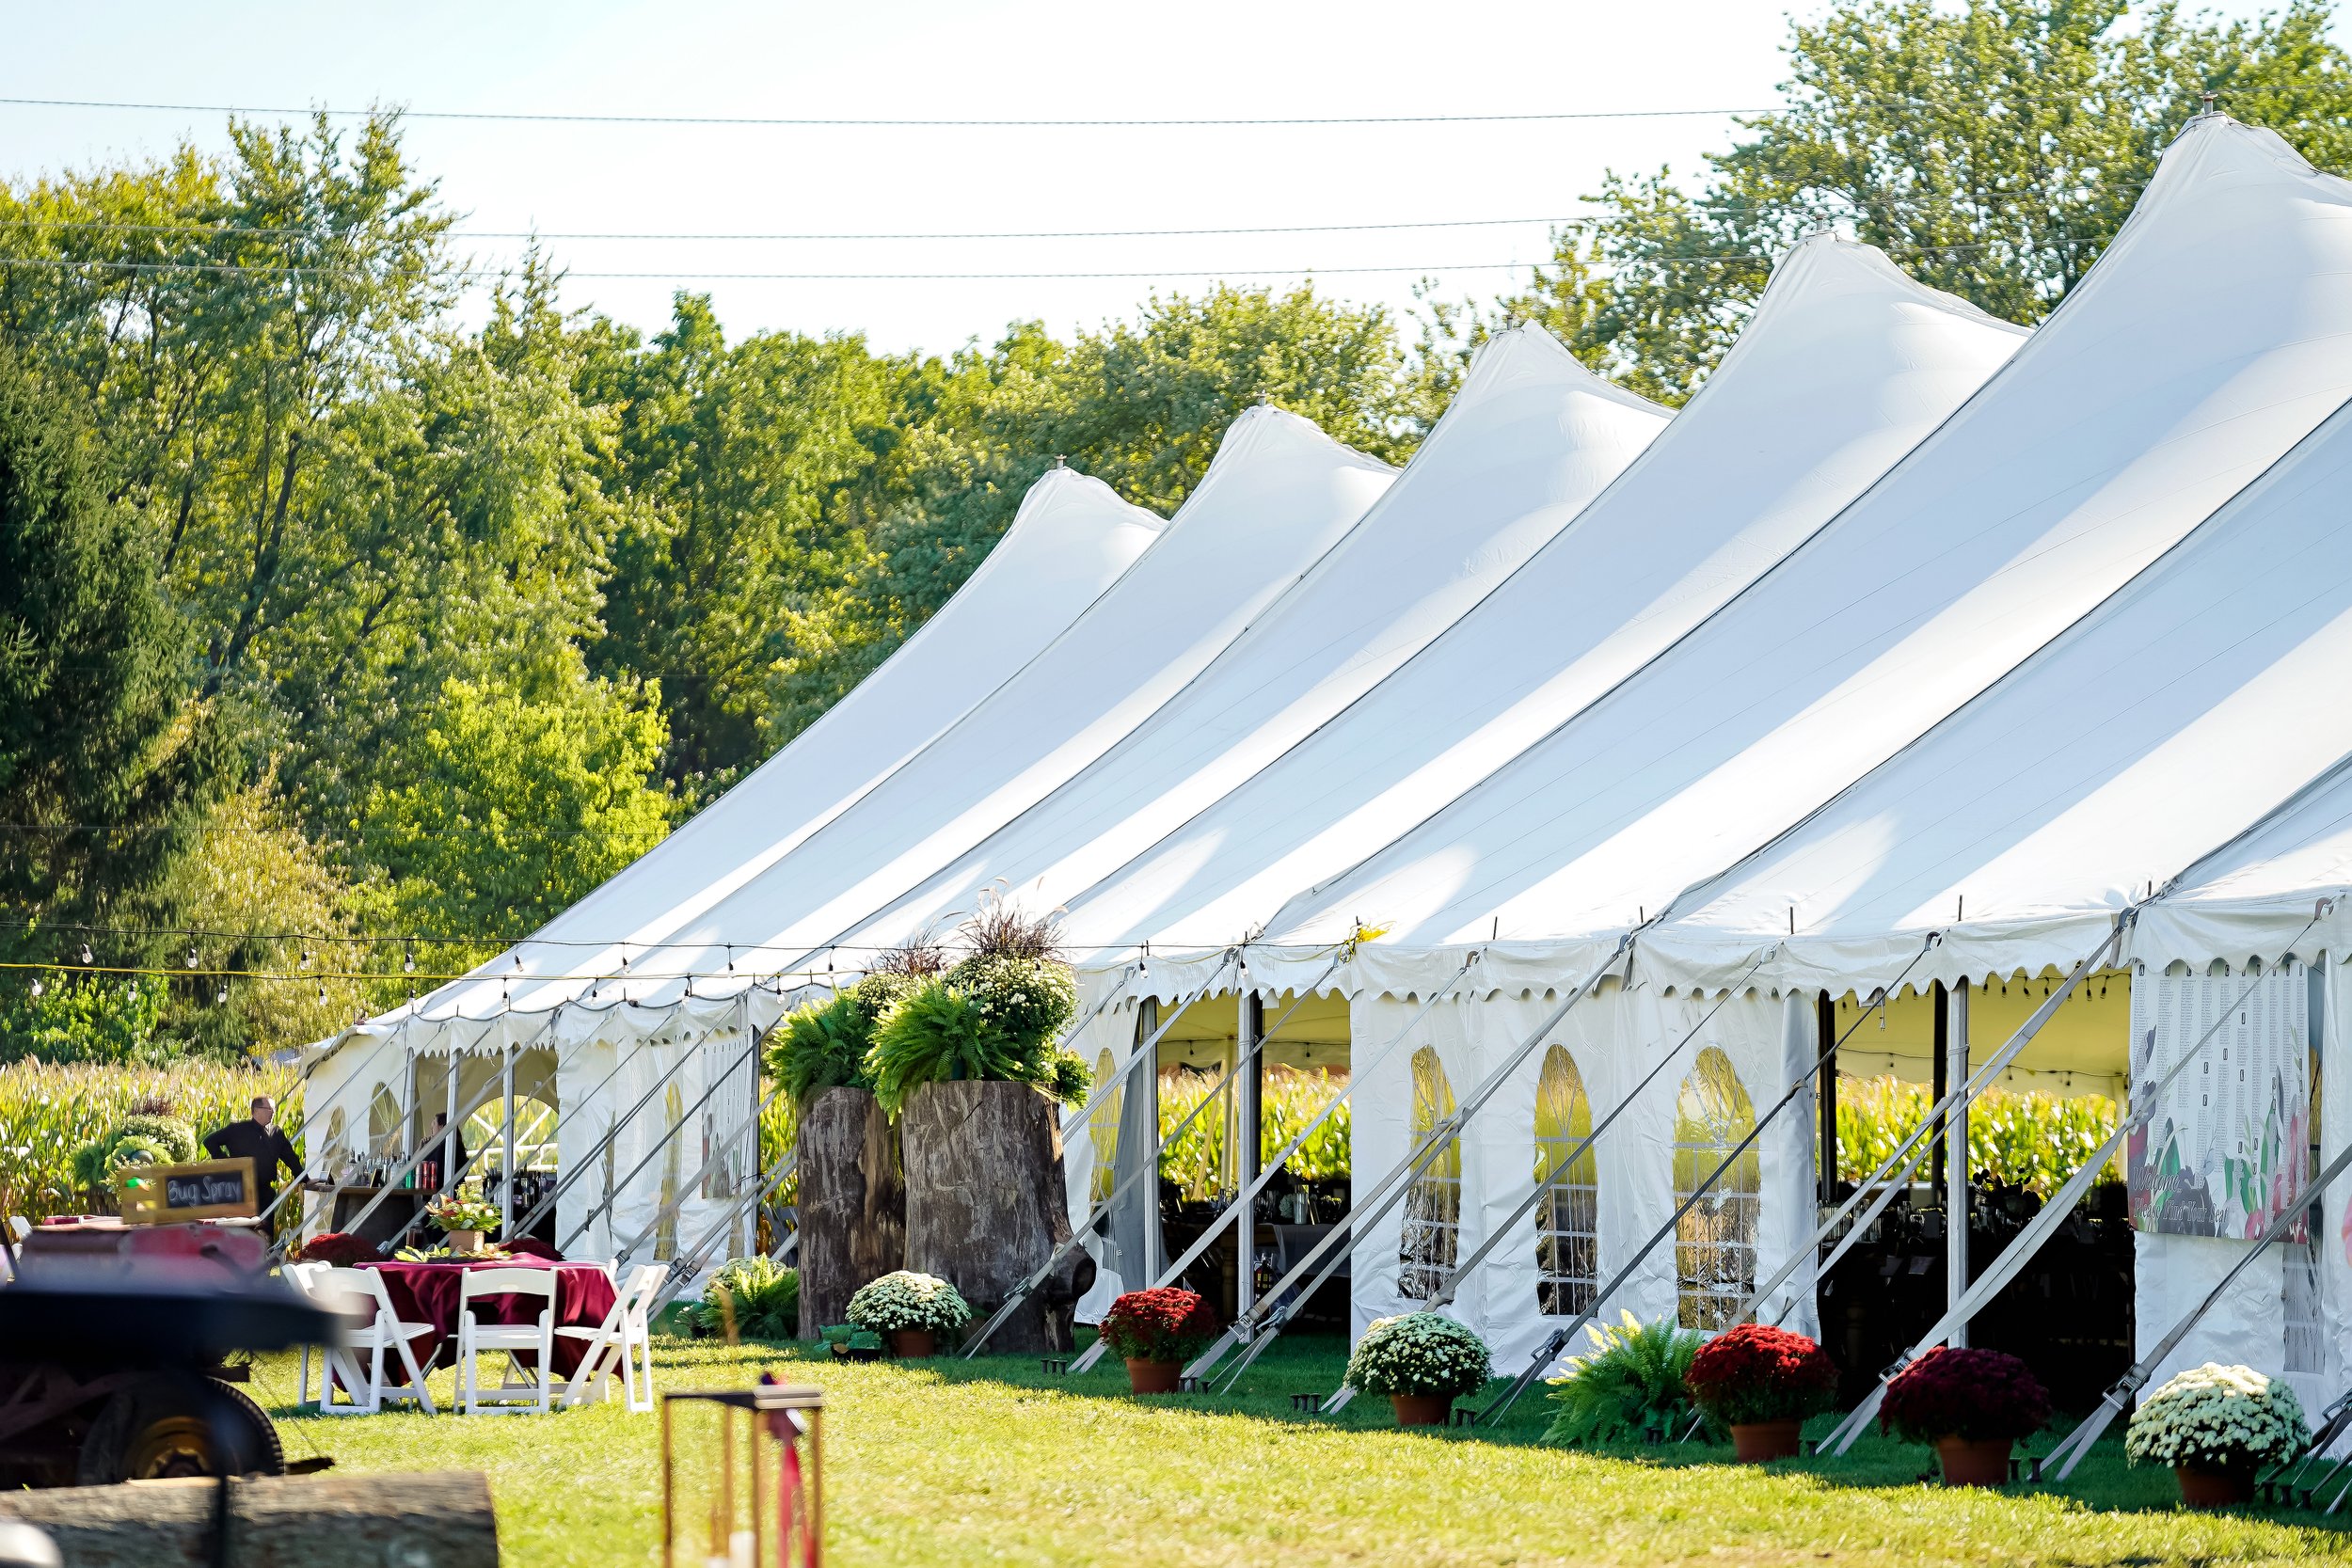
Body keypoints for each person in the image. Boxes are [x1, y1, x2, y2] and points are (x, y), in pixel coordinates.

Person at [202, 1095, 303, 1215]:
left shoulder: (276, 1133)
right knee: (243, 1230)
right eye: (270, 1109)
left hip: (264, 1193)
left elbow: (291, 1158)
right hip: (239, 1192)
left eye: (274, 1109)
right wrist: (226, 1162)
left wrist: (304, 1179)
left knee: (264, 1231)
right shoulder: (237, 1130)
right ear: (256, 1110)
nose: (273, 1112)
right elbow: (209, 1141)